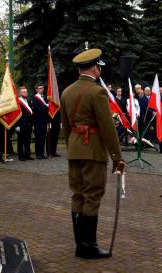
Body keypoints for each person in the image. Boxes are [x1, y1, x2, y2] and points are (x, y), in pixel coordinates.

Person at [60, 48, 125, 259]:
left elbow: (65, 126)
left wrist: (72, 148)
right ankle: (89, 246)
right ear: (95, 68)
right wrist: (117, 157)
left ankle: (80, 245)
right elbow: (107, 128)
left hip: (75, 149)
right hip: (93, 150)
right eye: (100, 67)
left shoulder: (67, 91)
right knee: (93, 195)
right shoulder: (97, 92)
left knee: (77, 194)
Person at [16, 86, 34, 161]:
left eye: (26, 92)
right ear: (20, 93)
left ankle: (27, 155)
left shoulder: (29, 101)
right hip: (21, 124)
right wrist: (16, 125)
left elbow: (31, 113)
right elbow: (16, 114)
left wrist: (32, 124)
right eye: (23, 92)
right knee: (20, 141)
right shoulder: (18, 101)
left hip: (28, 124)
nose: (25, 93)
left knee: (28, 141)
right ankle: (20, 156)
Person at [32, 84, 49, 159]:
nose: (41, 89)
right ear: (36, 90)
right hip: (37, 121)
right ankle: (38, 154)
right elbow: (37, 110)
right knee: (38, 138)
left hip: (44, 121)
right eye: (39, 88)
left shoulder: (45, 97)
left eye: (42, 88)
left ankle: (42, 153)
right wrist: (46, 106)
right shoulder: (35, 98)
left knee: (43, 138)